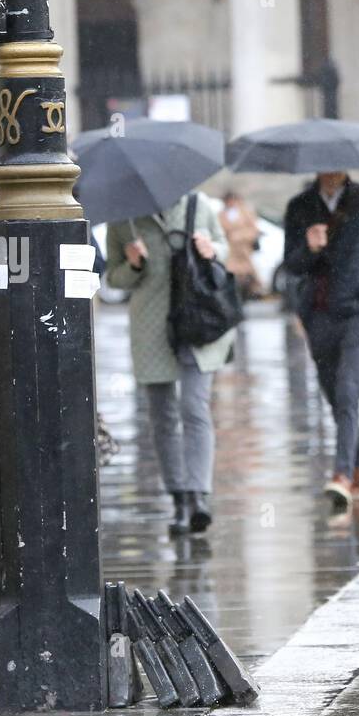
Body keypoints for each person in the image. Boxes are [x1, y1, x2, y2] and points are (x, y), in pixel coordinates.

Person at [105, 191, 234, 537]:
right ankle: (178, 497)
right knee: (162, 415)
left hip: (196, 322)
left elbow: (225, 249)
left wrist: (212, 250)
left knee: (194, 407)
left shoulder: (198, 206)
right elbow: (112, 278)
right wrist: (132, 264)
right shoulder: (124, 219)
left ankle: (199, 496)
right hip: (151, 327)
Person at [282, 170, 359, 509]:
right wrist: (309, 247)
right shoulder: (299, 207)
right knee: (335, 395)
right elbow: (291, 265)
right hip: (317, 315)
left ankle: (342, 474)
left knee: (349, 391)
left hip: (358, 313)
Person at [219, 191, 264, 299]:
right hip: (230, 251)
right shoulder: (221, 215)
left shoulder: (245, 212)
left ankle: (248, 294)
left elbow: (254, 230)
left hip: (244, 250)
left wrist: (239, 236)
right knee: (232, 276)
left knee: (247, 276)